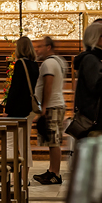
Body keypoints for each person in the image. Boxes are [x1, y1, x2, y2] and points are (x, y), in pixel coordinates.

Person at [33, 36, 68, 185]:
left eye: (40, 46)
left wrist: (44, 107)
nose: (37, 50)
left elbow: (48, 84)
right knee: (53, 141)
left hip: (52, 105)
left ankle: (55, 174)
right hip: (56, 104)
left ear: (48, 47)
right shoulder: (59, 61)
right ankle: (52, 170)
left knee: (54, 141)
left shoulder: (48, 63)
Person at [4, 36, 40, 119]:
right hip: (29, 105)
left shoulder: (20, 64)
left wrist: (7, 109)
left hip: (19, 107)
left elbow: (15, 88)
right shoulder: (34, 64)